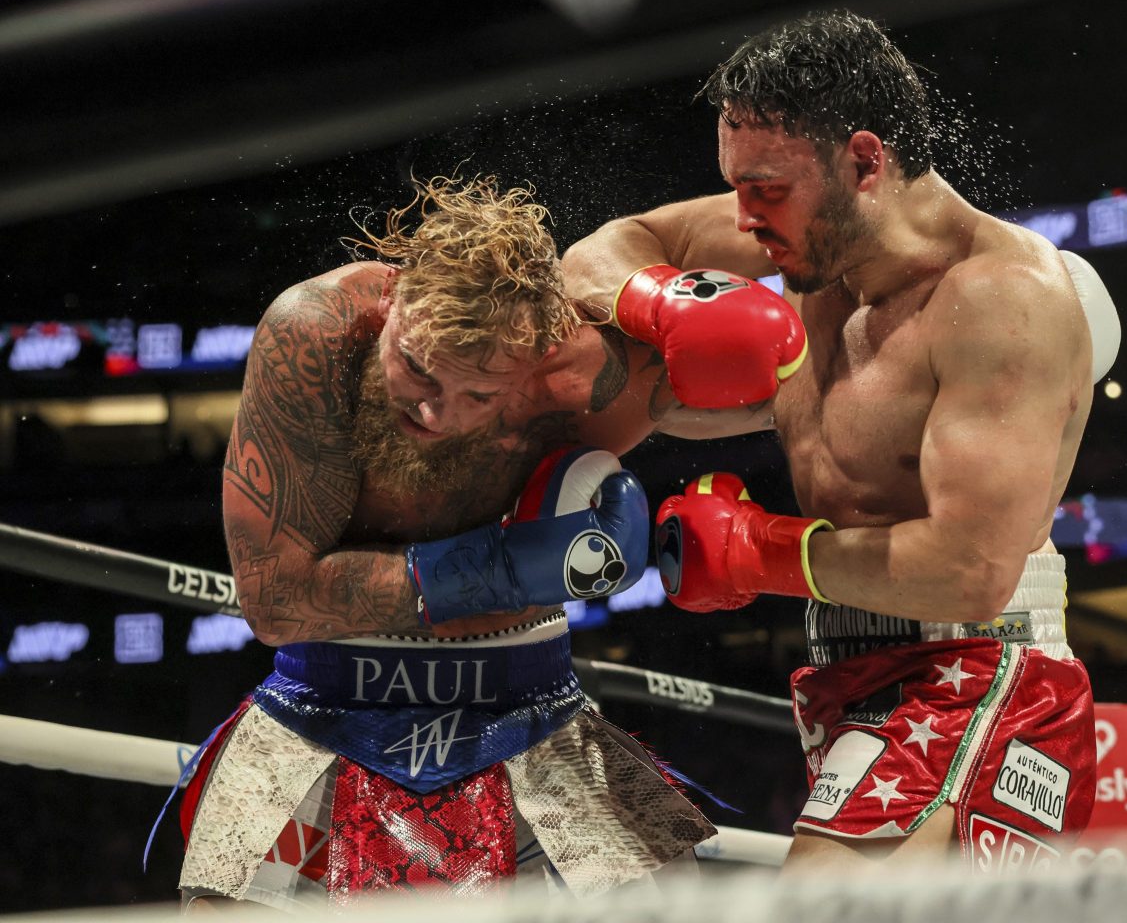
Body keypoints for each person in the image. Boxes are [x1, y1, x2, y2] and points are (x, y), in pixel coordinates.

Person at [561, 10, 1121, 871]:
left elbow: (970, 571)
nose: (744, 220)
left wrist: (755, 551)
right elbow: (601, 254)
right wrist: (656, 300)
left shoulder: (1000, 298)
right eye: (736, 186)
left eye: (766, 190)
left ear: (864, 161)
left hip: (978, 668)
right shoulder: (808, 248)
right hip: (852, 672)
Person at [178, 174, 803, 909]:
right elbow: (275, 600)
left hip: (529, 705)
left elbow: (801, 382)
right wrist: (502, 570)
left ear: (537, 364)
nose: (435, 413)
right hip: (322, 712)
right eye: (416, 368)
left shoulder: (588, 381)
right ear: (396, 302)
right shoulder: (316, 336)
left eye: (478, 395)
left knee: (664, 903)